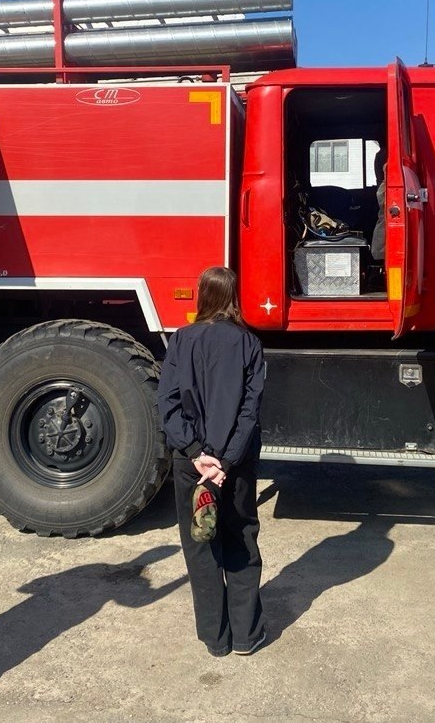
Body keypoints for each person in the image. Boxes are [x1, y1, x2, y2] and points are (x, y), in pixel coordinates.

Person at [157, 266, 268, 657]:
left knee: (201, 546)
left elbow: (167, 404)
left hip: (193, 466)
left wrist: (196, 454)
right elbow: (250, 412)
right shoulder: (249, 344)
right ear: (234, 297)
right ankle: (246, 636)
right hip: (234, 467)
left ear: (202, 296)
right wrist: (226, 459)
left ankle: (215, 639)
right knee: (240, 539)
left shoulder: (181, 341)